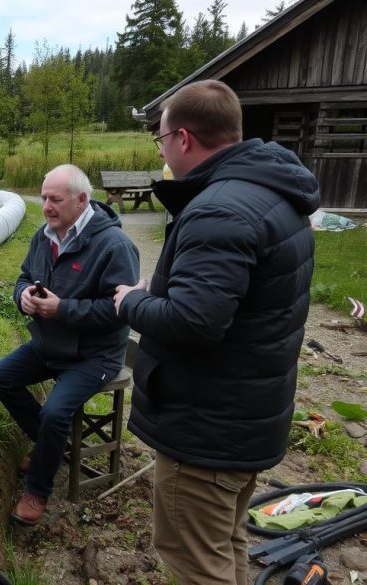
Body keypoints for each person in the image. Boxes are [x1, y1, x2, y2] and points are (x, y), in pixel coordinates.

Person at [113, 80, 319, 585]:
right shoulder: (272, 194)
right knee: (225, 543)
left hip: (205, 429)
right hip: (245, 416)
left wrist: (132, 301)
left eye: (159, 140)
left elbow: (194, 322)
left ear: (183, 139)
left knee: (195, 562)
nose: (161, 150)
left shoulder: (218, 209)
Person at [0, 163, 140, 525]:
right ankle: (49, 448)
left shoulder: (115, 246)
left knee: (56, 412)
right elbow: (24, 276)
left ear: (81, 200)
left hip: (93, 354)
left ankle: (38, 490)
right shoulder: (44, 235)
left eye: (55, 199)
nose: (47, 207)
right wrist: (23, 295)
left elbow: (122, 311)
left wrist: (63, 310)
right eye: (44, 198)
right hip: (49, 344)